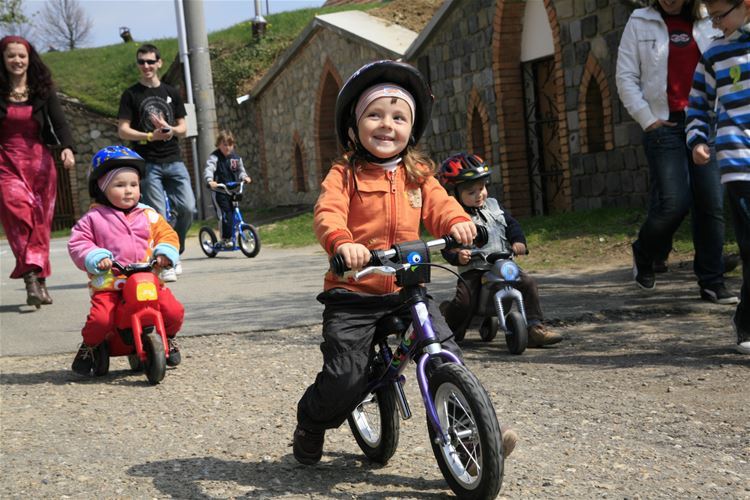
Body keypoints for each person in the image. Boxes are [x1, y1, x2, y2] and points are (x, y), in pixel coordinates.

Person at [292, 60, 517, 465]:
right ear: (355, 126)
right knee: (346, 377)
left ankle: (474, 439)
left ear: (411, 129)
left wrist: (460, 223)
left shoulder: (419, 174)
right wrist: (343, 243)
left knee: (444, 352)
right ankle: (311, 421)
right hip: (353, 292)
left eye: (399, 117)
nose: (386, 124)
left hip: (406, 289)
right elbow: (328, 213)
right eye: (374, 115)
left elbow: (442, 206)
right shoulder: (345, 173)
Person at [616, 0, 738, 304]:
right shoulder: (639, 21)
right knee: (673, 203)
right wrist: (648, 119)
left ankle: (711, 281)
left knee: (710, 203)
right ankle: (644, 252)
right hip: (664, 125)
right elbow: (626, 77)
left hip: (706, 122)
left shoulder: (712, 18)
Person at [67, 145, 184, 374]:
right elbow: (78, 243)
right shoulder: (94, 218)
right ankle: (89, 347)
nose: (128, 190)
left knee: (173, 311)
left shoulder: (149, 215)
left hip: (147, 280)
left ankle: (167, 337)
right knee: (100, 320)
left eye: (133, 184)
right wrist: (95, 257)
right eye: (119, 185)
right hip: (111, 284)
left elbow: (168, 235)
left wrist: (164, 253)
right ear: (101, 188)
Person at [438, 152, 563, 348]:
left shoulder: (494, 206)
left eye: (482, 188)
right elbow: (448, 245)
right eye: (471, 192)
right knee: (465, 301)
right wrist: (458, 256)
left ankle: (534, 327)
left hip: (502, 262)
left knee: (528, 283)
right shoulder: (456, 217)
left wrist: (518, 241)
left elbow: (511, 225)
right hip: (475, 267)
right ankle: (449, 329)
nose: (480, 194)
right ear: (454, 194)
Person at [686, 0, 750, 354]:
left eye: (720, 16)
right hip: (739, 164)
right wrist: (697, 139)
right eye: (709, 17)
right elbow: (697, 106)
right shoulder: (714, 55)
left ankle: (746, 315)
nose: (715, 24)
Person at [0, 35, 76, 308]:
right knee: (18, 214)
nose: (17, 60)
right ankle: (31, 275)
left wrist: (67, 148)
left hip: (40, 163)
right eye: (11, 56)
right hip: (5, 162)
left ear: (29, 58)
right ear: (3, 59)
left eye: (22, 55)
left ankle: (40, 279)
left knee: (40, 223)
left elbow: (60, 122)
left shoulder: (42, 90)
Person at [117, 43, 195, 282]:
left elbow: (183, 127)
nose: (146, 66)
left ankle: (174, 249)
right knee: (158, 213)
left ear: (159, 63)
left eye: (151, 61)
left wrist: (171, 129)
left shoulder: (171, 91)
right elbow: (123, 130)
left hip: (173, 159)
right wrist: (150, 136)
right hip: (147, 162)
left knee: (187, 208)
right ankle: (167, 262)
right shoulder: (131, 94)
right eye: (142, 62)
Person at [203, 129, 252, 247]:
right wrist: (210, 181)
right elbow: (209, 169)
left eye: (230, 145)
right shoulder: (214, 157)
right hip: (219, 191)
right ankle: (226, 238)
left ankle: (233, 234)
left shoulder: (236, 158)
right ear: (219, 144)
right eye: (224, 145)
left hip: (232, 190)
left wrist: (244, 177)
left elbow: (240, 170)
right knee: (225, 214)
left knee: (234, 212)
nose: (227, 147)